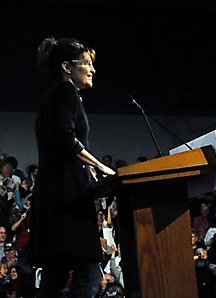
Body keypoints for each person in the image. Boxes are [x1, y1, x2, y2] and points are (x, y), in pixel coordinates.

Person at [29, 37, 116, 298]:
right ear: (67, 67)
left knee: (55, 274)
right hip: (68, 198)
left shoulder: (52, 96)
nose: (92, 69)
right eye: (86, 63)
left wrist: (88, 168)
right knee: (88, 269)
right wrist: (99, 165)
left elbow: (58, 143)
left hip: (53, 197)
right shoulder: (66, 92)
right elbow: (65, 138)